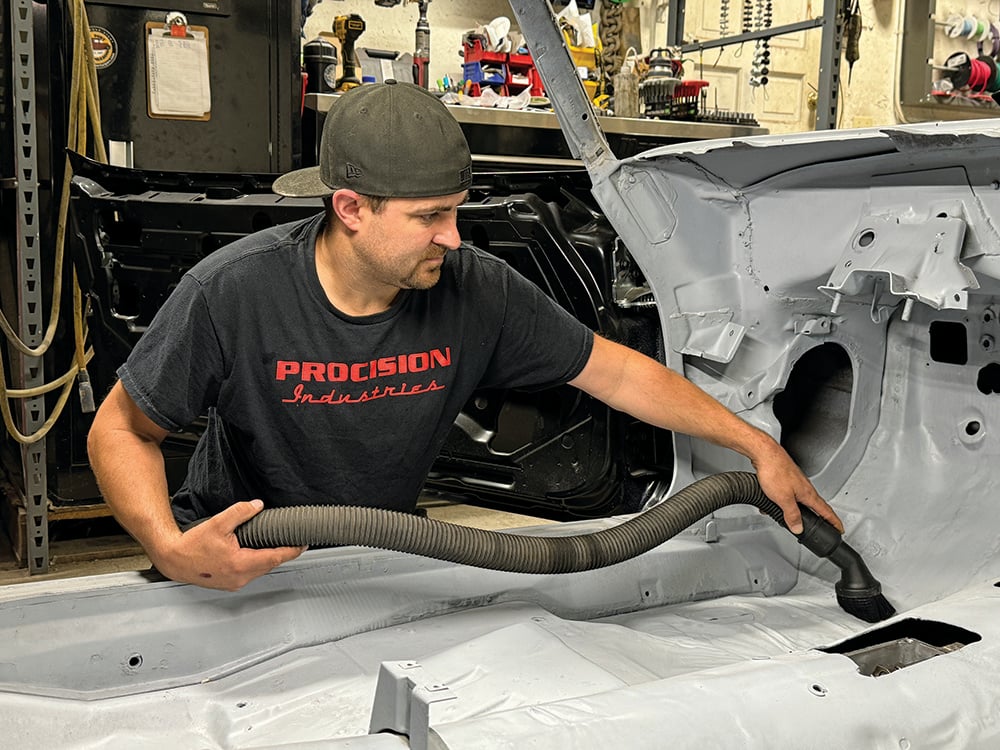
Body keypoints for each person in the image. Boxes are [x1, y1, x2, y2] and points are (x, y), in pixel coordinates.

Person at [87, 80, 843, 592]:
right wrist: (167, 547)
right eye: (428, 218)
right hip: (236, 564)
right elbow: (120, 428)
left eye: (457, 210)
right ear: (349, 208)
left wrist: (758, 448)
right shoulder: (235, 292)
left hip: (380, 558)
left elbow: (615, 373)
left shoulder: (471, 285)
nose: (454, 238)